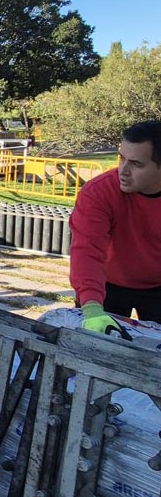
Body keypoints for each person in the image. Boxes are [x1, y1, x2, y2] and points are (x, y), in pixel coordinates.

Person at [69, 119, 161, 339]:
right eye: (122, 159)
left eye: (136, 164)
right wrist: (91, 308)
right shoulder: (98, 192)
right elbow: (86, 251)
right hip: (106, 286)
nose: (123, 171)